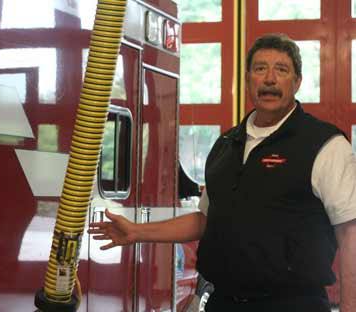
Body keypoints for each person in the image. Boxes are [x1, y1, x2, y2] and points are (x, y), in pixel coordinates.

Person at [88, 33, 356, 312]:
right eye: (260, 68)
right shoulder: (226, 145)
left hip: (293, 304)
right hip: (223, 302)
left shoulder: (323, 145)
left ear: (297, 82)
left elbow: (350, 233)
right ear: (248, 79)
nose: (270, 79)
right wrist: (136, 232)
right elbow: (205, 220)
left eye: (282, 70)